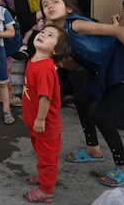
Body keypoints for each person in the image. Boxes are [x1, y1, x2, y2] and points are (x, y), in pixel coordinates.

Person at [39, 0, 124, 188]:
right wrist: (66, 63)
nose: (50, 6)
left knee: (102, 116)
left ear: (68, 8)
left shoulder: (75, 24)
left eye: (55, 1)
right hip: (102, 71)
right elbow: (80, 63)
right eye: (45, 5)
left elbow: (120, 31)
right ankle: (93, 149)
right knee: (82, 100)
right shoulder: (59, 35)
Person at [21, 24, 71, 203]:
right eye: (43, 32)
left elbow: (45, 97)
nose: (43, 34)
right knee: (41, 154)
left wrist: (40, 119)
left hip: (45, 124)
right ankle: (44, 178)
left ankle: (46, 191)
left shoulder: (45, 68)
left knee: (48, 159)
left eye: (50, 35)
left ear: (56, 50)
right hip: (35, 121)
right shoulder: (34, 59)